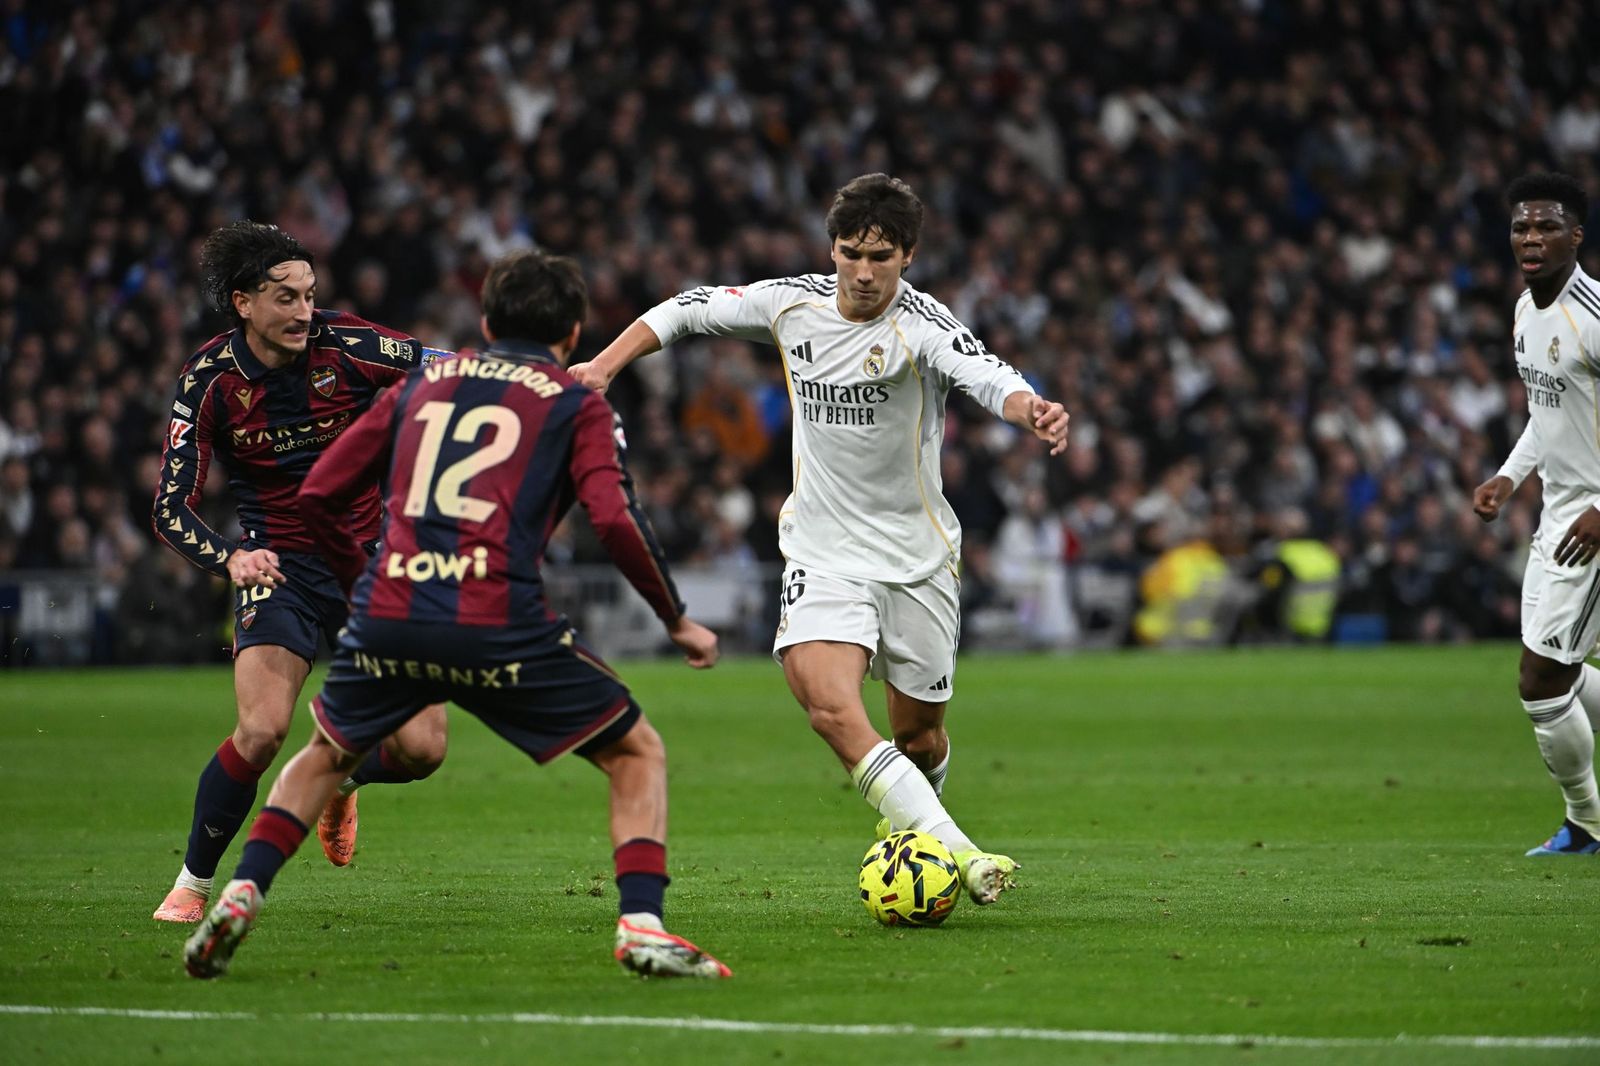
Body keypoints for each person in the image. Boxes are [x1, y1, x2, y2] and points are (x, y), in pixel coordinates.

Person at [183, 250, 731, 980]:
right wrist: (675, 618)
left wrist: (366, 583)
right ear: (572, 333)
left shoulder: (425, 384)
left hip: (393, 607)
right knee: (636, 753)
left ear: (486, 324)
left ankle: (242, 893)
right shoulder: (574, 403)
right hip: (497, 615)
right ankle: (641, 925)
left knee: (324, 753)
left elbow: (318, 493)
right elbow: (613, 517)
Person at [570, 173, 1070, 904]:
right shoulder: (790, 304)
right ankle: (962, 855)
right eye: (850, 253)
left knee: (919, 738)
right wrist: (604, 365)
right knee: (832, 709)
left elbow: (988, 376)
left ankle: (915, 821)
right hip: (822, 551)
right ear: (832, 248)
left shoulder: (924, 326)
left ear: (908, 256)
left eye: (881, 257)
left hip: (917, 560)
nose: (863, 272)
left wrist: (1032, 409)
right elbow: (686, 308)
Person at [151, 222, 452, 923]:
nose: (303, 311)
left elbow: (448, 366)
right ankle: (193, 883)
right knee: (261, 732)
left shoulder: (349, 345)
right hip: (276, 568)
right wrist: (230, 558)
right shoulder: (208, 381)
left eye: (310, 295)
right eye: (285, 297)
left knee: (422, 750)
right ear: (244, 302)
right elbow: (169, 506)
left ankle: (339, 780)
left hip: (371, 564)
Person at [1473, 172, 1600, 856]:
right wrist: (1508, 475)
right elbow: (1545, 412)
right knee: (1560, 670)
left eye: (1547, 226)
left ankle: (1587, 824)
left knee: (1541, 678)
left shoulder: (1593, 318)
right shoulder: (1527, 308)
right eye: (1522, 226)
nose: (1531, 237)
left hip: (1593, 526)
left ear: (1575, 237)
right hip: (1558, 514)